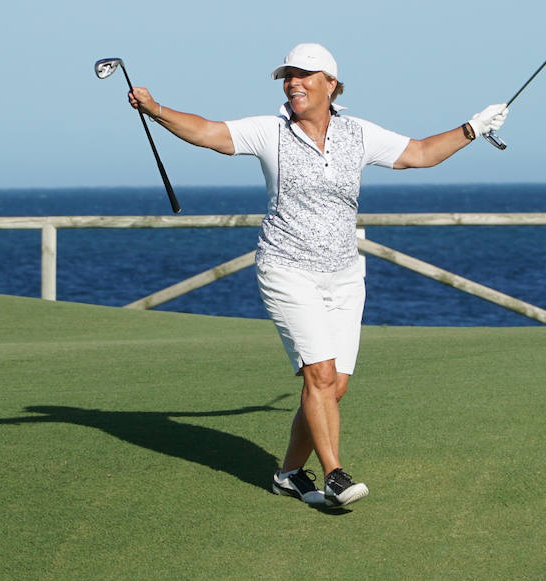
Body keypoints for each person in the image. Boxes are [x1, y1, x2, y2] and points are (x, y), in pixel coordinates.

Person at [127, 42, 507, 508]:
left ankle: (288, 474)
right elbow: (209, 132)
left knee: (333, 386)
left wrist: (473, 128)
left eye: (304, 75)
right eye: (288, 75)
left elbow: (421, 153)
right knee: (321, 377)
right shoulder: (270, 132)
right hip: (287, 269)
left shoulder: (358, 133)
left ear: (331, 83)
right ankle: (334, 475)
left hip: (345, 275)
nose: (293, 82)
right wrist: (155, 108)